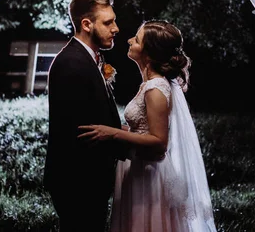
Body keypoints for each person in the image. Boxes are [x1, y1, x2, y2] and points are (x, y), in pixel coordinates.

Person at [78, 20, 217, 232]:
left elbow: (159, 142)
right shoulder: (149, 84)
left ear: (149, 53)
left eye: (137, 39)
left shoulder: (156, 89)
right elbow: (142, 129)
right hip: (139, 169)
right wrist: (111, 127)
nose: (130, 40)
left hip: (150, 177)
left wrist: (113, 133)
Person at [43, 0, 128, 232]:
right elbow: (83, 132)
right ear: (86, 24)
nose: (116, 28)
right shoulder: (72, 64)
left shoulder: (87, 58)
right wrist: (138, 143)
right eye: (108, 22)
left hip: (86, 179)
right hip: (78, 181)